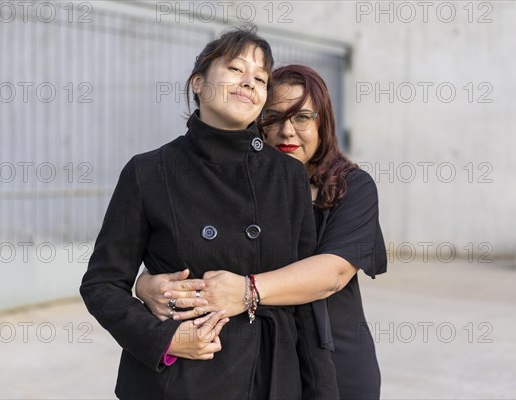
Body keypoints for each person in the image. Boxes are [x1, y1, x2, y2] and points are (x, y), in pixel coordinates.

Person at [80, 28, 339, 400]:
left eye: (261, 78)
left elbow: (305, 300)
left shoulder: (287, 175)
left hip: (271, 379)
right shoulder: (149, 171)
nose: (249, 82)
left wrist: (321, 391)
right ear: (198, 82)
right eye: (235, 69)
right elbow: (101, 284)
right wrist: (166, 339)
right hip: (182, 379)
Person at [136, 64, 388, 399]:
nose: (286, 131)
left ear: (323, 122)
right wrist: (147, 283)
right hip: (257, 360)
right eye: (273, 117)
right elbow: (196, 254)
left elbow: (333, 272)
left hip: (334, 356)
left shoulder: (351, 187)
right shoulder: (237, 183)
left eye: (302, 117)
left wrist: (246, 290)